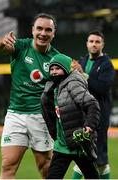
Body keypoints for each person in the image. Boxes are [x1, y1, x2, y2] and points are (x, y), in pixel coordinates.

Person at [0, 13, 60, 179]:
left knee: (45, 167)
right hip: (16, 114)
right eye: (39, 28)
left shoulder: (57, 58)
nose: (43, 33)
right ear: (32, 30)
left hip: (42, 117)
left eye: (48, 30)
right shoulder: (21, 46)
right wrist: (1, 42)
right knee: (8, 166)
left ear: (53, 33)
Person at [41, 53, 100, 179]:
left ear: (66, 69)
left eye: (58, 68)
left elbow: (92, 104)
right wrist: (55, 136)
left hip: (79, 144)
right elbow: (50, 115)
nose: (54, 72)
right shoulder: (53, 88)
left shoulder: (73, 84)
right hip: (62, 145)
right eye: (52, 69)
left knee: (92, 177)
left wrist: (89, 125)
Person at [71, 30, 115, 179]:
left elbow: (102, 88)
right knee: (81, 152)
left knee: (100, 156)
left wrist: (83, 74)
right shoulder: (82, 61)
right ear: (87, 43)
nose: (94, 44)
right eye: (91, 41)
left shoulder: (107, 65)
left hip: (99, 115)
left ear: (102, 44)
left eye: (97, 42)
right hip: (82, 114)